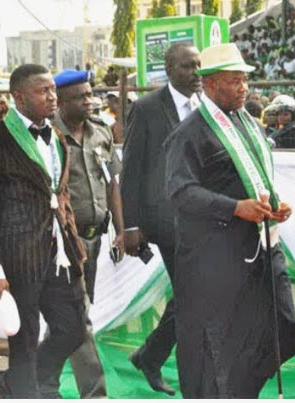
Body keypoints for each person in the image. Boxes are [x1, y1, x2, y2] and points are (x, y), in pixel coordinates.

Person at [164, 43, 295, 398]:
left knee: (283, 328)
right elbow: (180, 193)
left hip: (262, 246)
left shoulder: (247, 123)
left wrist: (275, 205)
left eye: (245, 80)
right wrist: (235, 207)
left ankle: (244, 389)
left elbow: (254, 177)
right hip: (220, 257)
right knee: (226, 349)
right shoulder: (189, 133)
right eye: (235, 81)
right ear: (210, 84)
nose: (244, 88)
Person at [0, 64, 87, 399]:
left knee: (72, 329)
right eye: (42, 91)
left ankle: (17, 382)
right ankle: (26, 391)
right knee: (24, 340)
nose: (52, 97)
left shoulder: (57, 136)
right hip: (16, 255)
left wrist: (73, 241)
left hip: (59, 252)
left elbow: (59, 194)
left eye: (53, 90)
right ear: (19, 97)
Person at [121, 42, 202, 396]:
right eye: (188, 66)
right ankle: (155, 357)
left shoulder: (206, 105)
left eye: (198, 65)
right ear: (169, 70)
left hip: (204, 218)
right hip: (167, 221)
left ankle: (150, 355)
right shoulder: (146, 108)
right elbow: (131, 170)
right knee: (191, 292)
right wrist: (131, 225)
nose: (196, 73)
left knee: (193, 293)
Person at [48, 68, 125, 398]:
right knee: (78, 316)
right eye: (80, 97)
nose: (89, 101)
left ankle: (36, 377)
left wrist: (121, 229)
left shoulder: (100, 132)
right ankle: (95, 394)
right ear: (61, 102)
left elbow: (112, 183)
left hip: (95, 237)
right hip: (65, 241)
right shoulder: (50, 134)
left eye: (90, 94)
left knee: (72, 316)